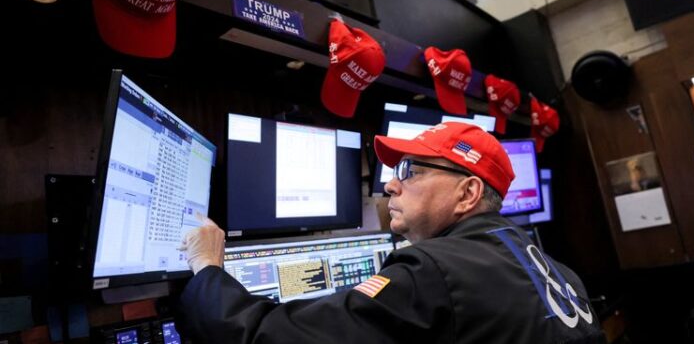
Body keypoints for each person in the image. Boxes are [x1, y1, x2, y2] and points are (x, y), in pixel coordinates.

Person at [177, 121, 606, 343]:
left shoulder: (433, 270)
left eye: (411, 171)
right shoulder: (558, 273)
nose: (390, 184)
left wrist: (208, 268)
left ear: (467, 193)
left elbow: (264, 338)